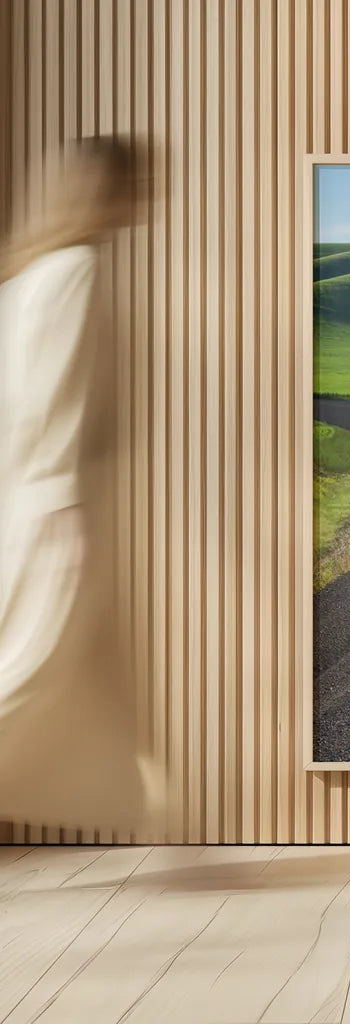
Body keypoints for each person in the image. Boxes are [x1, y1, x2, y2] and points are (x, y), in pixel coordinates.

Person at [0, 135, 168, 837]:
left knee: (104, 688)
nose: (150, 198)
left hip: (36, 498)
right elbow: (53, 397)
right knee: (31, 670)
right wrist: (69, 512)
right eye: (140, 183)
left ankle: (176, 852)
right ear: (110, 191)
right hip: (62, 508)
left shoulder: (29, 273)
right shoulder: (77, 271)